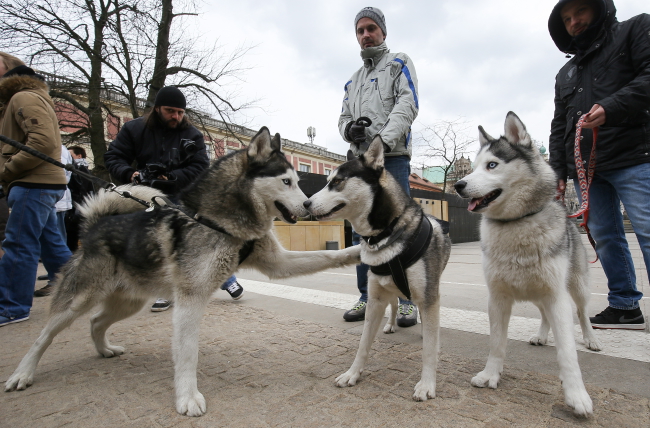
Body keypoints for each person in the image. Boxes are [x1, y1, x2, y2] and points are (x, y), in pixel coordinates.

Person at [548, 0, 649, 330]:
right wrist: (558, 172)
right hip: (587, 170)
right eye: (566, 19)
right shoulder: (566, 73)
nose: (574, 22)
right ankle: (624, 306)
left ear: (598, 9)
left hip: (635, 153)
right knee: (605, 236)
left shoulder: (635, 29)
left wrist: (611, 107)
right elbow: (559, 124)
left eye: (579, 12)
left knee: (647, 231)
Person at [104, 85, 244, 312]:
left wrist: (171, 176)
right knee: (157, 245)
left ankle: (227, 279)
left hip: (181, 195)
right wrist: (130, 174)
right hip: (145, 194)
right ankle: (165, 291)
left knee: (198, 242)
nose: (176, 116)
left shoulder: (193, 135)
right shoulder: (134, 129)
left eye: (180, 112)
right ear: (157, 108)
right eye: (170, 111)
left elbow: (200, 167)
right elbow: (114, 157)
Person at [339, 7, 420, 327]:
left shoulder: (399, 63)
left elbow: (408, 104)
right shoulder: (352, 81)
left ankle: (405, 299)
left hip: (392, 158)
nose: (365, 35)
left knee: (397, 227)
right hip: (359, 163)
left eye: (371, 28)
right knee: (361, 229)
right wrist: (349, 131)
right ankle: (366, 296)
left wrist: (381, 143)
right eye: (360, 30)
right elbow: (343, 118)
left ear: (383, 32)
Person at [0, 52, 72, 326]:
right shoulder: (19, 99)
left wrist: (8, 170)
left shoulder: (24, 97)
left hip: (33, 182)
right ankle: (82, 288)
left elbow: (42, 141)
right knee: (51, 244)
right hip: (37, 182)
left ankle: (13, 307)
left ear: (9, 68)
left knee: (19, 244)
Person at [33, 145, 74, 297]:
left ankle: (61, 279)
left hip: (50, 197)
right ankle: (59, 277)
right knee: (51, 240)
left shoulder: (53, 145)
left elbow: (58, 173)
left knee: (54, 240)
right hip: (50, 197)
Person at [65, 145, 95, 252]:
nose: (68, 157)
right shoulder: (85, 168)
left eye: (70, 155)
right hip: (82, 207)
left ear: (79, 156)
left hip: (76, 208)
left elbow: (80, 189)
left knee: (72, 237)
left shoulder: (79, 168)